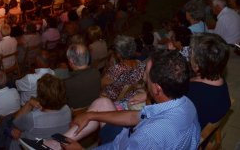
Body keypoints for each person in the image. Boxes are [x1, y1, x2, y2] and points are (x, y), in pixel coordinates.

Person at [50, 50, 200, 150]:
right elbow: (135, 116)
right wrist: (91, 115)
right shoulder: (186, 103)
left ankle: (54, 144)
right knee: (102, 103)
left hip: (123, 144)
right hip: (129, 138)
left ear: (157, 89)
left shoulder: (150, 136)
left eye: (146, 74)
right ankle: (55, 143)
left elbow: (146, 136)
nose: (143, 77)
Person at [9, 74, 71, 150]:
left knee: (10, 131)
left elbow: (15, 123)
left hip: (33, 145)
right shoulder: (67, 109)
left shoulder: (33, 117)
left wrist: (28, 103)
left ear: (40, 96)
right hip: (56, 145)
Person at [187, 33, 231, 129]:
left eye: (191, 53)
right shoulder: (219, 79)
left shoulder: (191, 93)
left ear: (198, 65)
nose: (189, 56)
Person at [64, 44, 101, 109]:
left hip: (76, 114)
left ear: (71, 61)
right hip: (94, 108)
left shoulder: (67, 83)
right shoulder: (96, 73)